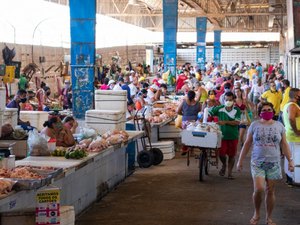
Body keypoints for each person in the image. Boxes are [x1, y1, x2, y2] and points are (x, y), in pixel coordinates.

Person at [237, 102, 294, 225]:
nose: (267, 111)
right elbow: (247, 143)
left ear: (273, 111)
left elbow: (284, 144)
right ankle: (256, 213)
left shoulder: (279, 126)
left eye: (269, 109)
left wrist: (290, 160)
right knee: (259, 189)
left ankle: (269, 218)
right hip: (257, 162)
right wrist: (240, 161)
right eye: (264, 109)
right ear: (259, 112)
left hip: (274, 162)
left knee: (270, 191)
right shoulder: (254, 125)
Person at [209, 91, 241, 179]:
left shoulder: (236, 110)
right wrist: (207, 104)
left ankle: (230, 173)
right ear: (224, 100)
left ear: (233, 100)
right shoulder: (220, 108)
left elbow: (237, 122)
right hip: (222, 136)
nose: (228, 101)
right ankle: (224, 165)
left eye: (230, 100)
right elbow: (209, 112)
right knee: (221, 154)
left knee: (232, 155)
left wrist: (225, 122)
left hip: (233, 136)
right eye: (226, 100)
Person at [282, 88, 300, 186]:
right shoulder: (292, 106)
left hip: (292, 137)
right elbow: (291, 118)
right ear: (296, 95)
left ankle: (291, 178)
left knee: (291, 157)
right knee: (293, 158)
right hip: (294, 137)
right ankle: (292, 179)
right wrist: (296, 131)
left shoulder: (290, 105)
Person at [176, 90, 201, 155]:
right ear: (194, 96)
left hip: (185, 121)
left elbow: (178, 111)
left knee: (185, 135)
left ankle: (184, 149)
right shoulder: (198, 103)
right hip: (194, 121)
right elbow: (199, 111)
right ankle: (191, 150)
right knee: (193, 135)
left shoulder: (184, 102)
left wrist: (184, 114)